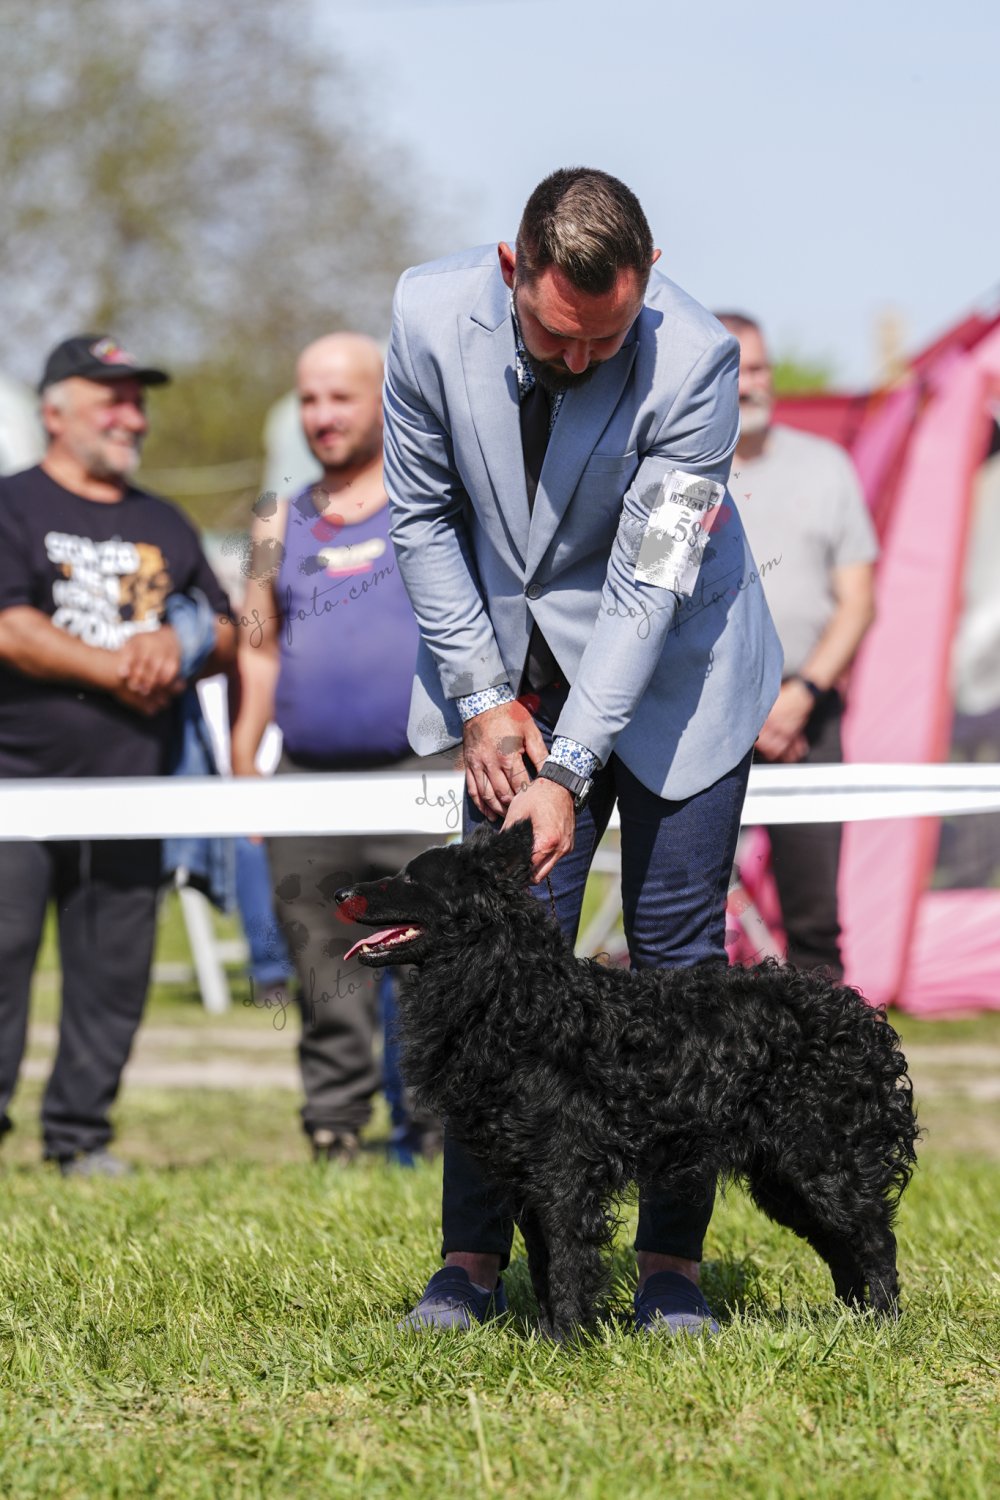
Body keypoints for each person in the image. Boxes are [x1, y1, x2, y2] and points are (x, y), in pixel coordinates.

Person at [383, 167, 783, 1334]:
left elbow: (649, 583)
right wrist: (481, 699)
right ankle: (470, 1263)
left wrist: (567, 768)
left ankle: (670, 1270)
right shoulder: (423, 315)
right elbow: (420, 518)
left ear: (650, 281)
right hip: (506, 675)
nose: (579, 361)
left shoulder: (698, 360)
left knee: (676, 972)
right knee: (491, 967)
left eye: (606, 341)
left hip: (678, 675)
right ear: (512, 268)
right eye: (556, 336)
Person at [0, 333, 235, 1175]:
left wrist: (178, 645)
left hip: (136, 790)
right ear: (55, 411)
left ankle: (80, 1138)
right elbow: (9, 626)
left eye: (138, 401)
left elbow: (229, 627)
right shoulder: (11, 506)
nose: (133, 417)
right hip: (14, 790)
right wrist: (117, 666)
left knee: (114, 974)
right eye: (113, 399)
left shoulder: (162, 520)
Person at [230, 332, 445, 1166]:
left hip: (420, 778)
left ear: (380, 400)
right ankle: (334, 1128)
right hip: (306, 782)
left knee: (433, 967)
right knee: (323, 969)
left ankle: (433, 1133)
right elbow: (257, 647)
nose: (322, 416)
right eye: (309, 400)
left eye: (341, 397)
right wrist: (244, 766)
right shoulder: (274, 519)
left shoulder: (430, 502)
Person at [715, 313, 878, 977]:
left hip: (807, 719)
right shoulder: (677, 473)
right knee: (684, 917)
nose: (748, 384)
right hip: (705, 721)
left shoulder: (826, 468)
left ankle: (829, 1043)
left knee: (815, 924)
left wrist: (801, 695)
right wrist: (745, 708)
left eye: (757, 368)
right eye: (734, 371)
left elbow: (859, 601)